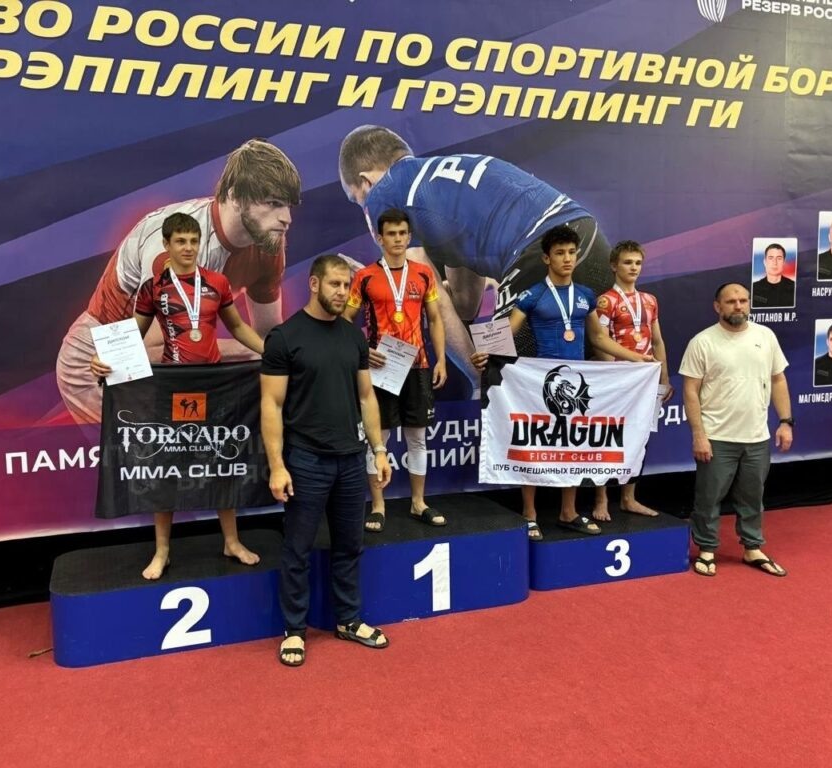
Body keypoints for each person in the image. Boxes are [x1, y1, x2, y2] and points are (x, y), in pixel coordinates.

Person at [339, 124, 614, 390]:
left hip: (541, 255)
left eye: (357, 198)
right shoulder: (444, 187)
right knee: (586, 389)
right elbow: (465, 304)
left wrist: (479, 381)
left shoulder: (382, 193)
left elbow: (426, 293)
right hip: (591, 244)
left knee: (504, 391)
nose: (364, 206)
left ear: (366, 181)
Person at [59, 139, 301, 423]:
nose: (286, 218)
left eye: (288, 206)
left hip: (171, 364)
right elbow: (154, 350)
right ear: (235, 195)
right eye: (273, 204)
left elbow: (268, 338)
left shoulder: (268, 243)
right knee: (157, 447)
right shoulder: (176, 243)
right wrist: (252, 352)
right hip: (101, 359)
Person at [90, 213, 266, 577]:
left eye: (193, 241)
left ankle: (232, 541)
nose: (188, 248)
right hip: (172, 387)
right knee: (165, 466)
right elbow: (133, 335)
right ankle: (162, 550)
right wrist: (105, 361)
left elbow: (237, 327)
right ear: (167, 245)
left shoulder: (217, 282)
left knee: (222, 462)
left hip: (215, 386)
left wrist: (271, 352)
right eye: (180, 241)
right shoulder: (153, 288)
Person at [471, 225, 652, 541]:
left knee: (572, 447)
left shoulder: (585, 295)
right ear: (546, 258)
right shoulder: (533, 295)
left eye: (571, 253)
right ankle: (529, 514)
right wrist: (482, 354)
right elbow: (507, 333)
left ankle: (568, 512)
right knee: (534, 446)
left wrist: (636, 358)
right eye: (559, 253)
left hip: (577, 382)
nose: (567, 259)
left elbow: (598, 338)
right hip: (538, 383)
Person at [260, 254, 392, 667]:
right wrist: (277, 465)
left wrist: (379, 450)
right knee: (297, 549)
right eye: (335, 284)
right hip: (305, 461)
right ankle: (294, 630)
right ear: (314, 284)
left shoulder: (353, 337)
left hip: (351, 461)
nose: (342, 292)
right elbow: (271, 404)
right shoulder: (284, 337)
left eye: (346, 285)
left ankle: (348, 620)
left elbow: (367, 397)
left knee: (350, 546)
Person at [343, 209, 447, 531]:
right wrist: (363, 351)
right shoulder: (365, 277)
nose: (398, 239)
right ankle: (378, 506)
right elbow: (345, 321)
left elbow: (435, 319)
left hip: (417, 366)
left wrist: (442, 360)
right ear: (380, 238)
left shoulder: (423, 274)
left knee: (418, 437)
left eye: (402, 233)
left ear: (409, 236)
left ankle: (418, 502)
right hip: (382, 368)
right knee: (379, 438)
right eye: (391, 234)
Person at [680, 283, 792, 578]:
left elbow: (778, 379)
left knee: (753, 497)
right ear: (717, 306)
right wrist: (699, 434)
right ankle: (706, 549)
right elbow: (690, 391)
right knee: (709, 498)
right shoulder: (702, 342)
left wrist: (785, 421)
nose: (738, 306)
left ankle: (752, 547)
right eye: (731, 301)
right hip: (716, 437)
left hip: (757, 437)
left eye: (743, 300)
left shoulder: (765, 336)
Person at [592, 241, 673, 521]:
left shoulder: (650, 300)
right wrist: (610, 376)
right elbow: (601, 342)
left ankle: (628, 498)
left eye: (638, 263)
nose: (634, 268)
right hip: (617, 379)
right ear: (614, 266)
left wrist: (664, 377)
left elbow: (657, 341)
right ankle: (601, 500)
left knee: (639, 437)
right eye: (627, 262)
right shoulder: (606, 301)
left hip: (646, 380)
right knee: (608, 437)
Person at [751, 243, 796, 308]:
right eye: (771, 258)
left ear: (784, 262)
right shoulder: (754, 288)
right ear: (765, 262)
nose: (775, 263)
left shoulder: (794, 287)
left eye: (779, 258)